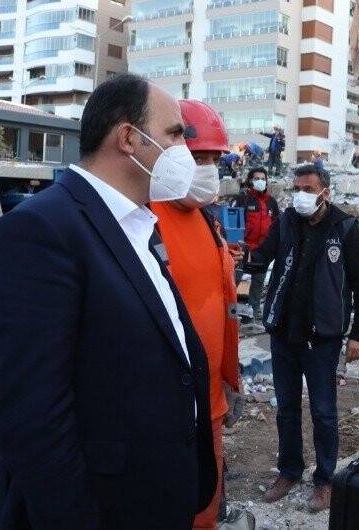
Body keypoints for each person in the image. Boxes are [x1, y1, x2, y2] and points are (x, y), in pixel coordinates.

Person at [0, 74, 217, 529]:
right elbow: (33, 417)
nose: (183, 149)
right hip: (100, 508)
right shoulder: (40, 231)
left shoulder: (137, 224)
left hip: (154, 495)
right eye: (174, 134)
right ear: (128, 138)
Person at [249, 164, 359, 513]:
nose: (300, 193)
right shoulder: (287, 220)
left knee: (323, 412)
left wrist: (357, 334)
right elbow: (263, 256)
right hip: (284, 334)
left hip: (322, 340)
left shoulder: (344, 227)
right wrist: (239, 259)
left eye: (308, 188)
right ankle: (289, 471)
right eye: (297, 187)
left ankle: (325, 480)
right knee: (286, 409)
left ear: (325, 193)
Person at [149, 100, 243, 529]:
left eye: (213, 159)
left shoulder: (209, 222)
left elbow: (222, 307)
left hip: (210, 403)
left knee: (205, 505)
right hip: (162, 410)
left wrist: (229, 378)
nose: (207, 168)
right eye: (197, 157)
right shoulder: (142, 220)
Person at [229, 166, 279, 322]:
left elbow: (277, 224)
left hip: (262, 251)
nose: (260, 181)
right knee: (233, 282)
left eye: (263, 179)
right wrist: (237, 247)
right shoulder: (242, 199)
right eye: (256, 179)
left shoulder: (271, 202)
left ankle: (252, 314)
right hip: (243, 250)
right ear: (250, 181)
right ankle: (230, 312)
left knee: (257, 284)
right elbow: (233, 223)